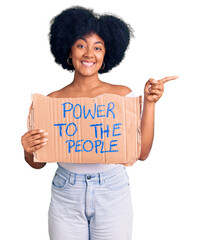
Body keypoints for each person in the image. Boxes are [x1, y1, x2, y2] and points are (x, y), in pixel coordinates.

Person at [21, 6, 179, 240]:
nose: (88, 54)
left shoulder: (121, 96)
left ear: (106, 55)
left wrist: (150, 103)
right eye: (81, 45)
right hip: (66, 192)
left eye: (97, 47)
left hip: (112, 191)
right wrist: (27, 150)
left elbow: (142, 153)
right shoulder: (51, 102)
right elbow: (37, 163)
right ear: (69, 50)